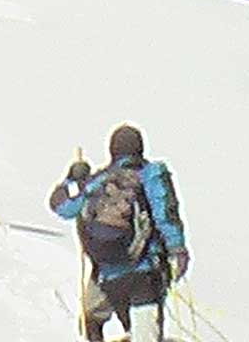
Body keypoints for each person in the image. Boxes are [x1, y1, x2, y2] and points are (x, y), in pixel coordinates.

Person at [49, 125, 189, 342]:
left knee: (90, 322)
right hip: (144, 274)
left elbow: (62, 207)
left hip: (107, 275)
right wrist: (177, 249)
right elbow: (165, 214)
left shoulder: (99, 180)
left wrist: (72, 179)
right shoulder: (151, 174)